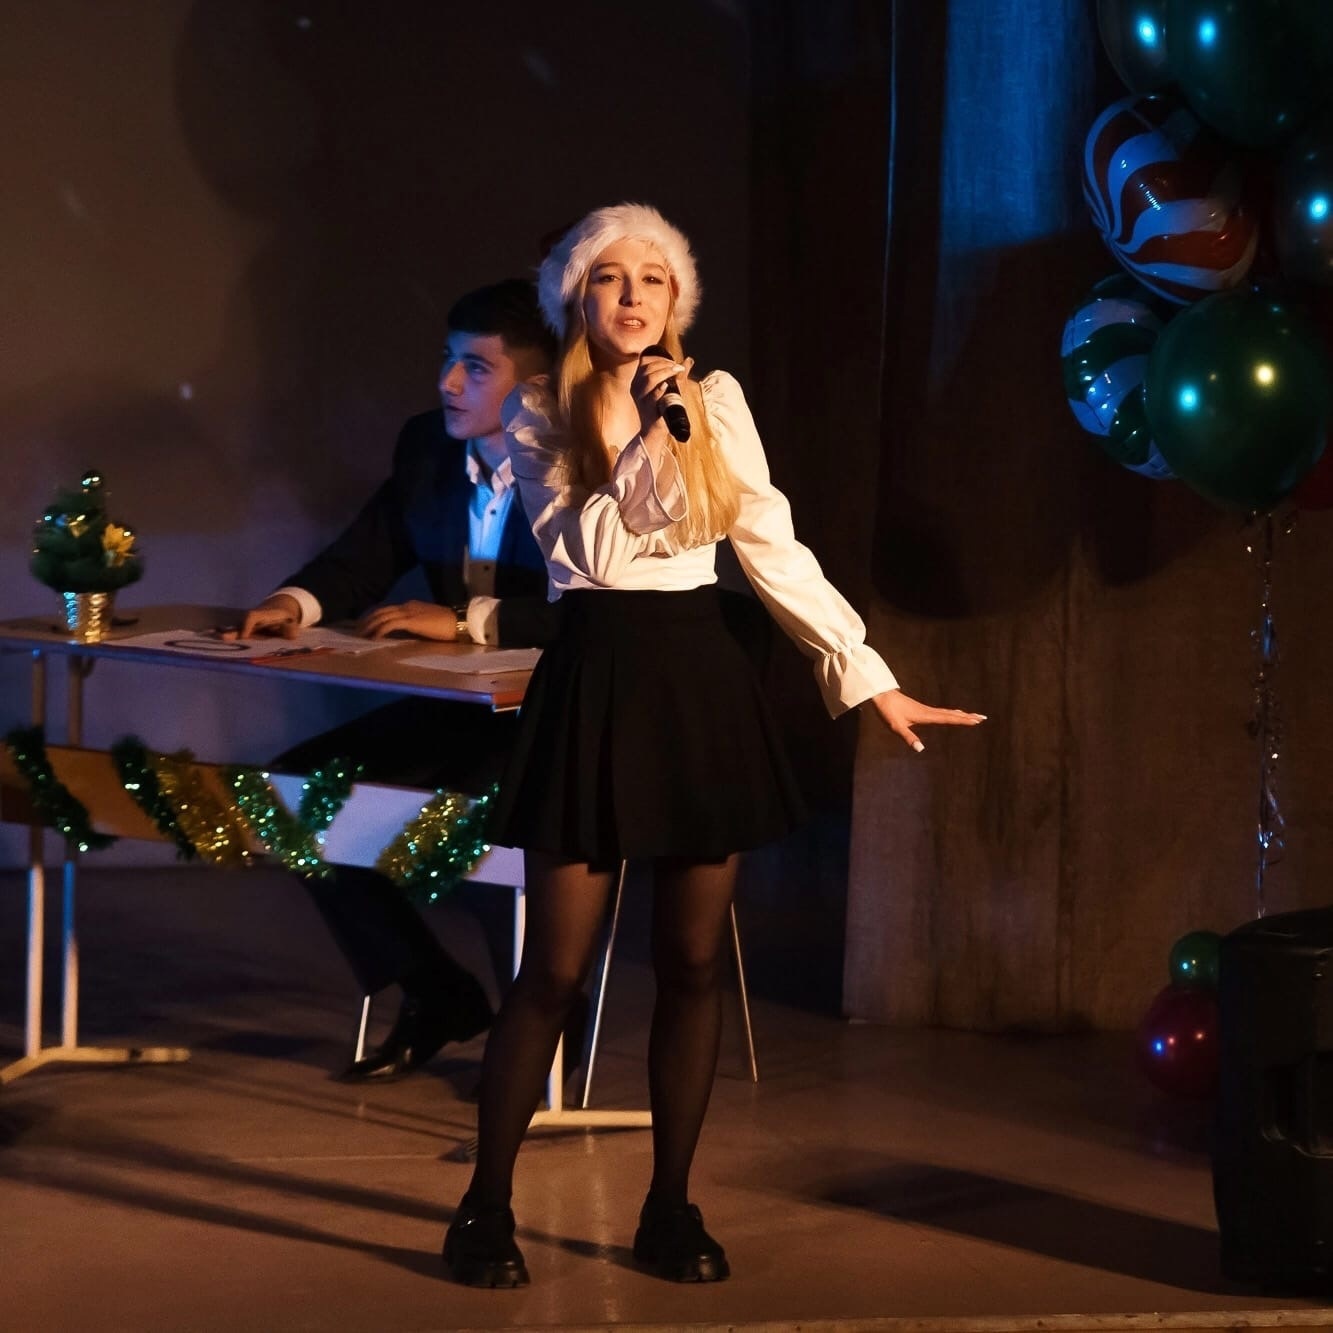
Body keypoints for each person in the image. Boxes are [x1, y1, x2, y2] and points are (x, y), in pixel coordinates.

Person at [441, 204, 985, 1287]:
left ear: (677, 299)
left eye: (653, 278)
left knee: (692, 963)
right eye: (611, 277)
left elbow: (770, 544)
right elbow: (598, 552)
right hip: (596, 676)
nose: (633, 295)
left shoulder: (715, 401)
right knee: (555, 969)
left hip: (696, 680)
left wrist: (867, 675)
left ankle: (669, 1207)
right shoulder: (542, 412)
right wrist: (655, 431)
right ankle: (484, 1207)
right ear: (577, 296)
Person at [232, 279, 561, 1083]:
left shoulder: (584, 463)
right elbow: (366, 552)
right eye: (448, 360)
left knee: (494, 827)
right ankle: (435, 993)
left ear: (537, 387)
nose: (448, 383)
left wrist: (469, 619)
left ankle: (542, 1043)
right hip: (462, 708)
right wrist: (291, 601)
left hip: (559, 718)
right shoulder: (427, 445)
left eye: (475, 368)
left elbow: (603, 611)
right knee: (295, 792)